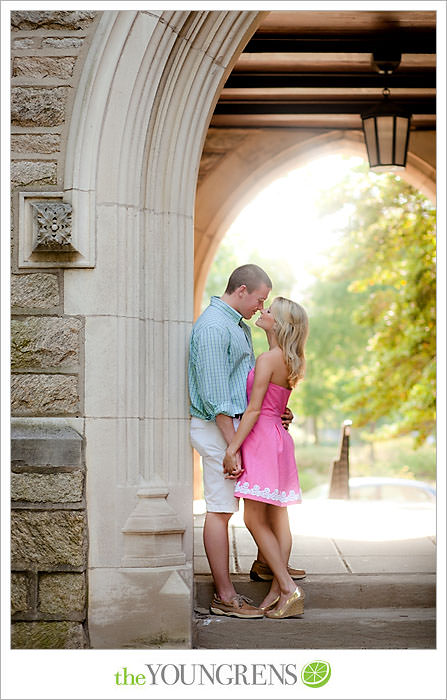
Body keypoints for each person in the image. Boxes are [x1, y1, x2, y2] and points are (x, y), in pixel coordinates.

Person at [189, 265, 303, 618]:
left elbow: (254, 390)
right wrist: (230, 446)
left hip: (245, 431)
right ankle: (226, 595)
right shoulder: (212, 327)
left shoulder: (236, 326)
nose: (261, 307)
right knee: (222, 509)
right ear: (241, 290)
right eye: (260, 299)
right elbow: (215, 394)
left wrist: (275, 412)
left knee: (265, 510)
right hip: (221, 430)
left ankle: (272, 574)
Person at [223, 296, 309, 619]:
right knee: (279, 517)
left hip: (261, 438)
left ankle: (287, 587)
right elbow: (277, 405)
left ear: (280, 324)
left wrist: (232, 447)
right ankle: (277, 591)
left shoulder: (267, 359)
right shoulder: (292, 360)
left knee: (253, 518)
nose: (263, 311)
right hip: (280, 441)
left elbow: (255, 409)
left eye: (270, 311)